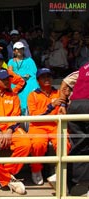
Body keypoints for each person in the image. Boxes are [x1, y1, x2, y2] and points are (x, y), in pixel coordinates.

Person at [27, 68, 70, 185]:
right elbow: (34, 115)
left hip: (56, 125)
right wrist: (51, 106)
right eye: (43, 77)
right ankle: (36, 170)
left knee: (65, 142)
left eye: (49, 76)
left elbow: (67, 108)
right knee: (37, 144)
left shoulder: (59, 93)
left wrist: (68, 98)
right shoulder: (32, 95)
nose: (47, 79)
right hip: (38, 126)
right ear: (37, 80)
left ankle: (60, 171)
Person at [58, 61, 89, 194]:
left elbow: (65, 82)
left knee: (78, 145)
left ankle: (73, 183)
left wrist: (63, 104)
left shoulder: (84, 67)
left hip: (75, 106)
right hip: (87, 104)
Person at [8, 41, 39, 115]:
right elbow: (10, 72)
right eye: (17, 49)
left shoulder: (29, 60)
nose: (19, 51)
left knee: (33, 83)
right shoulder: (11, 61)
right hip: (16, 82)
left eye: (21, 49)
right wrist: (20, 76)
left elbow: (34, 72)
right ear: (14, 51)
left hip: (28, 81)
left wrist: (27, 76)